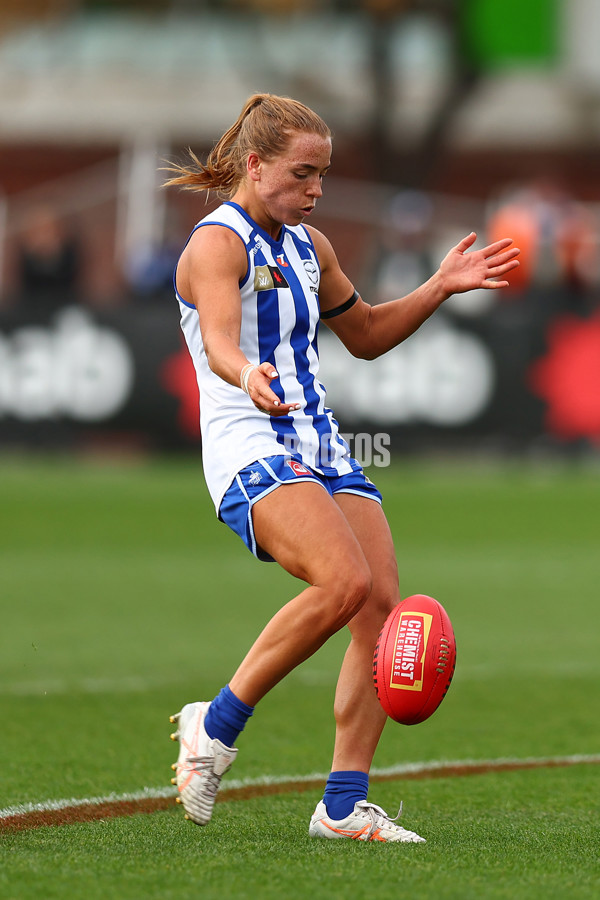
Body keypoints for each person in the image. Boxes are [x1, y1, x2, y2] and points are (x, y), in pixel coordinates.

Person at [164, 93, 519, 843]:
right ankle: (214, 723)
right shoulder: (215, 246)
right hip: (247, 442)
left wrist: (437, 288)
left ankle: (341, 805)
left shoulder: (309, 245)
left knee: (381, 608)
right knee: (345, 581)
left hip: (320, 443)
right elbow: (224, 342)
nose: (316, 189)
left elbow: (362, 335)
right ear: (255, 167)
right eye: (303, 174)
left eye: (322, 174)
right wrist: (243, 373)